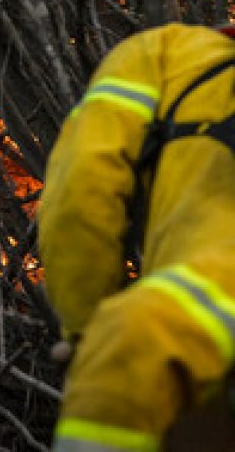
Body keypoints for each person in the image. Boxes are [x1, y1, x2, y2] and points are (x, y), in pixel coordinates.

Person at [39, 22, 235, 452]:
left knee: (126, 360)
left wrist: (87, 332)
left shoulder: (165, 55)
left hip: (190, 334)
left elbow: (79, 195)